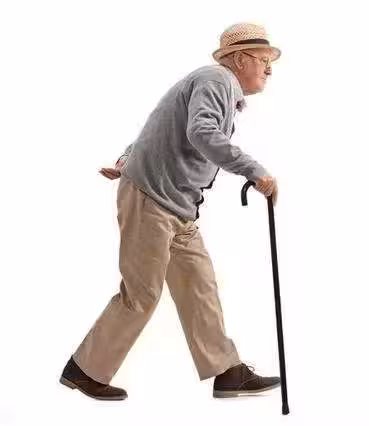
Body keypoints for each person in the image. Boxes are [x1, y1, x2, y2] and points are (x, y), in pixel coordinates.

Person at [59, 22, 281, 401]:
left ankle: (227, 372)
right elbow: (201, 133)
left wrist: (127, 158)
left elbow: (163, 123)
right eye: (263, 60)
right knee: (142, 293)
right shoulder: (216, 79)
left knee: (199, 286)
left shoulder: (217, 87)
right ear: (240, 59)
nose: (270, 70)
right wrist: (254, 170)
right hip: (153, 200)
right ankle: (84, 370)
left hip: (177, 207)